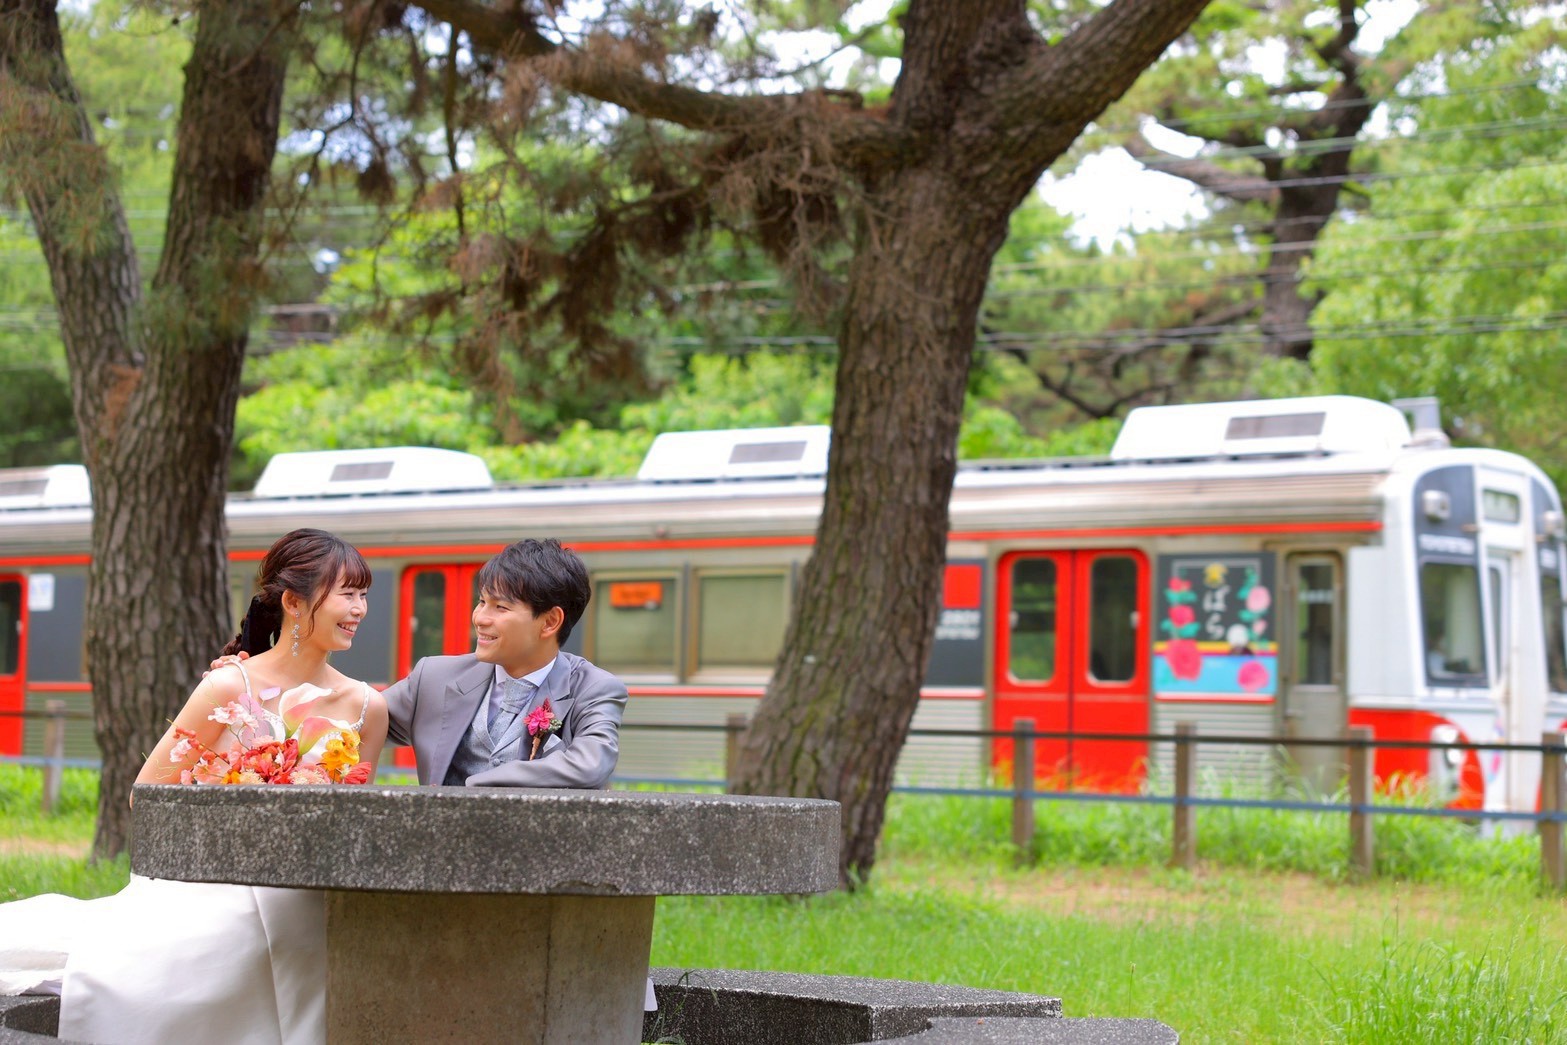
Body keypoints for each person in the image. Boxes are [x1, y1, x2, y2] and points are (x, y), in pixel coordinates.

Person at [0, 528, 389, 1045]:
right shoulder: (230, 685)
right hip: (219, 880)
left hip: (313, 886)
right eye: (346, 593)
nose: (359, 608)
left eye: (363, 594)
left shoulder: (367, 706)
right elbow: (148, 794)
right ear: (294, 602)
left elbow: (356, 818)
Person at [386, 537, 627, 789]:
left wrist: (476, 785)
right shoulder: (434, 676)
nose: (479, 618)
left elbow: (591, 764)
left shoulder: (593, 688)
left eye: (500, 607)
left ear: (550, 622)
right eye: (481, 602)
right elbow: (359, 720)